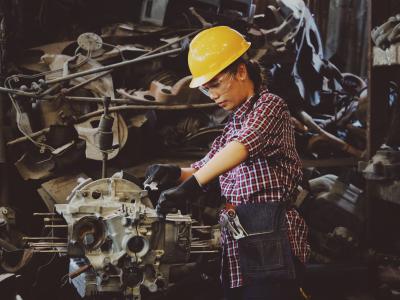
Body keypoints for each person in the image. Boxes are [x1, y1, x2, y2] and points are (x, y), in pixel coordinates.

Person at [144, 26, 310, 300]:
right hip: (239, 239)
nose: (213, 96)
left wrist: (192, 186)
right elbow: (203, 168)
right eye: (207, 89)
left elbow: (242, 147)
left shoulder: (270, 106)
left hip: (272, 238)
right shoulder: (233, 124)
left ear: (241, 71)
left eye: (216, 84)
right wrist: (172, 174)